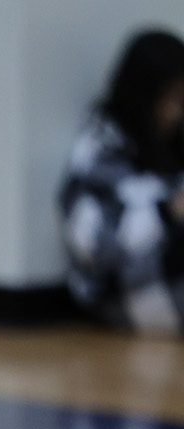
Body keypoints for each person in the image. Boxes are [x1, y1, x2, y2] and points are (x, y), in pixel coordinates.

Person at [61, 28, 184, 335]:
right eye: (173, 99)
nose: (177, 113)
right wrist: (166, 212)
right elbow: (95, 247)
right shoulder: (98, 150)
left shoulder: (168, 142)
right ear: (146, 94)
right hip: (124, 292)